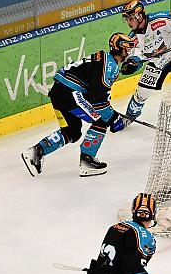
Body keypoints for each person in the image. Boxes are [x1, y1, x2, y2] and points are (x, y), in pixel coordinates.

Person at [21, 33, 134, 177]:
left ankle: (37, 151)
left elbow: (95, 95)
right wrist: (112, 118)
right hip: (70, 92)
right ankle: (87, 160)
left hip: (60, 92)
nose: (129, 52)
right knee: (101, 121)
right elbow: (98, 99)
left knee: (72, 132)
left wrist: (111, 115)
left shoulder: (105, 60)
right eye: (127, 48)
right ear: (119, 48)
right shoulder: (109, 65)